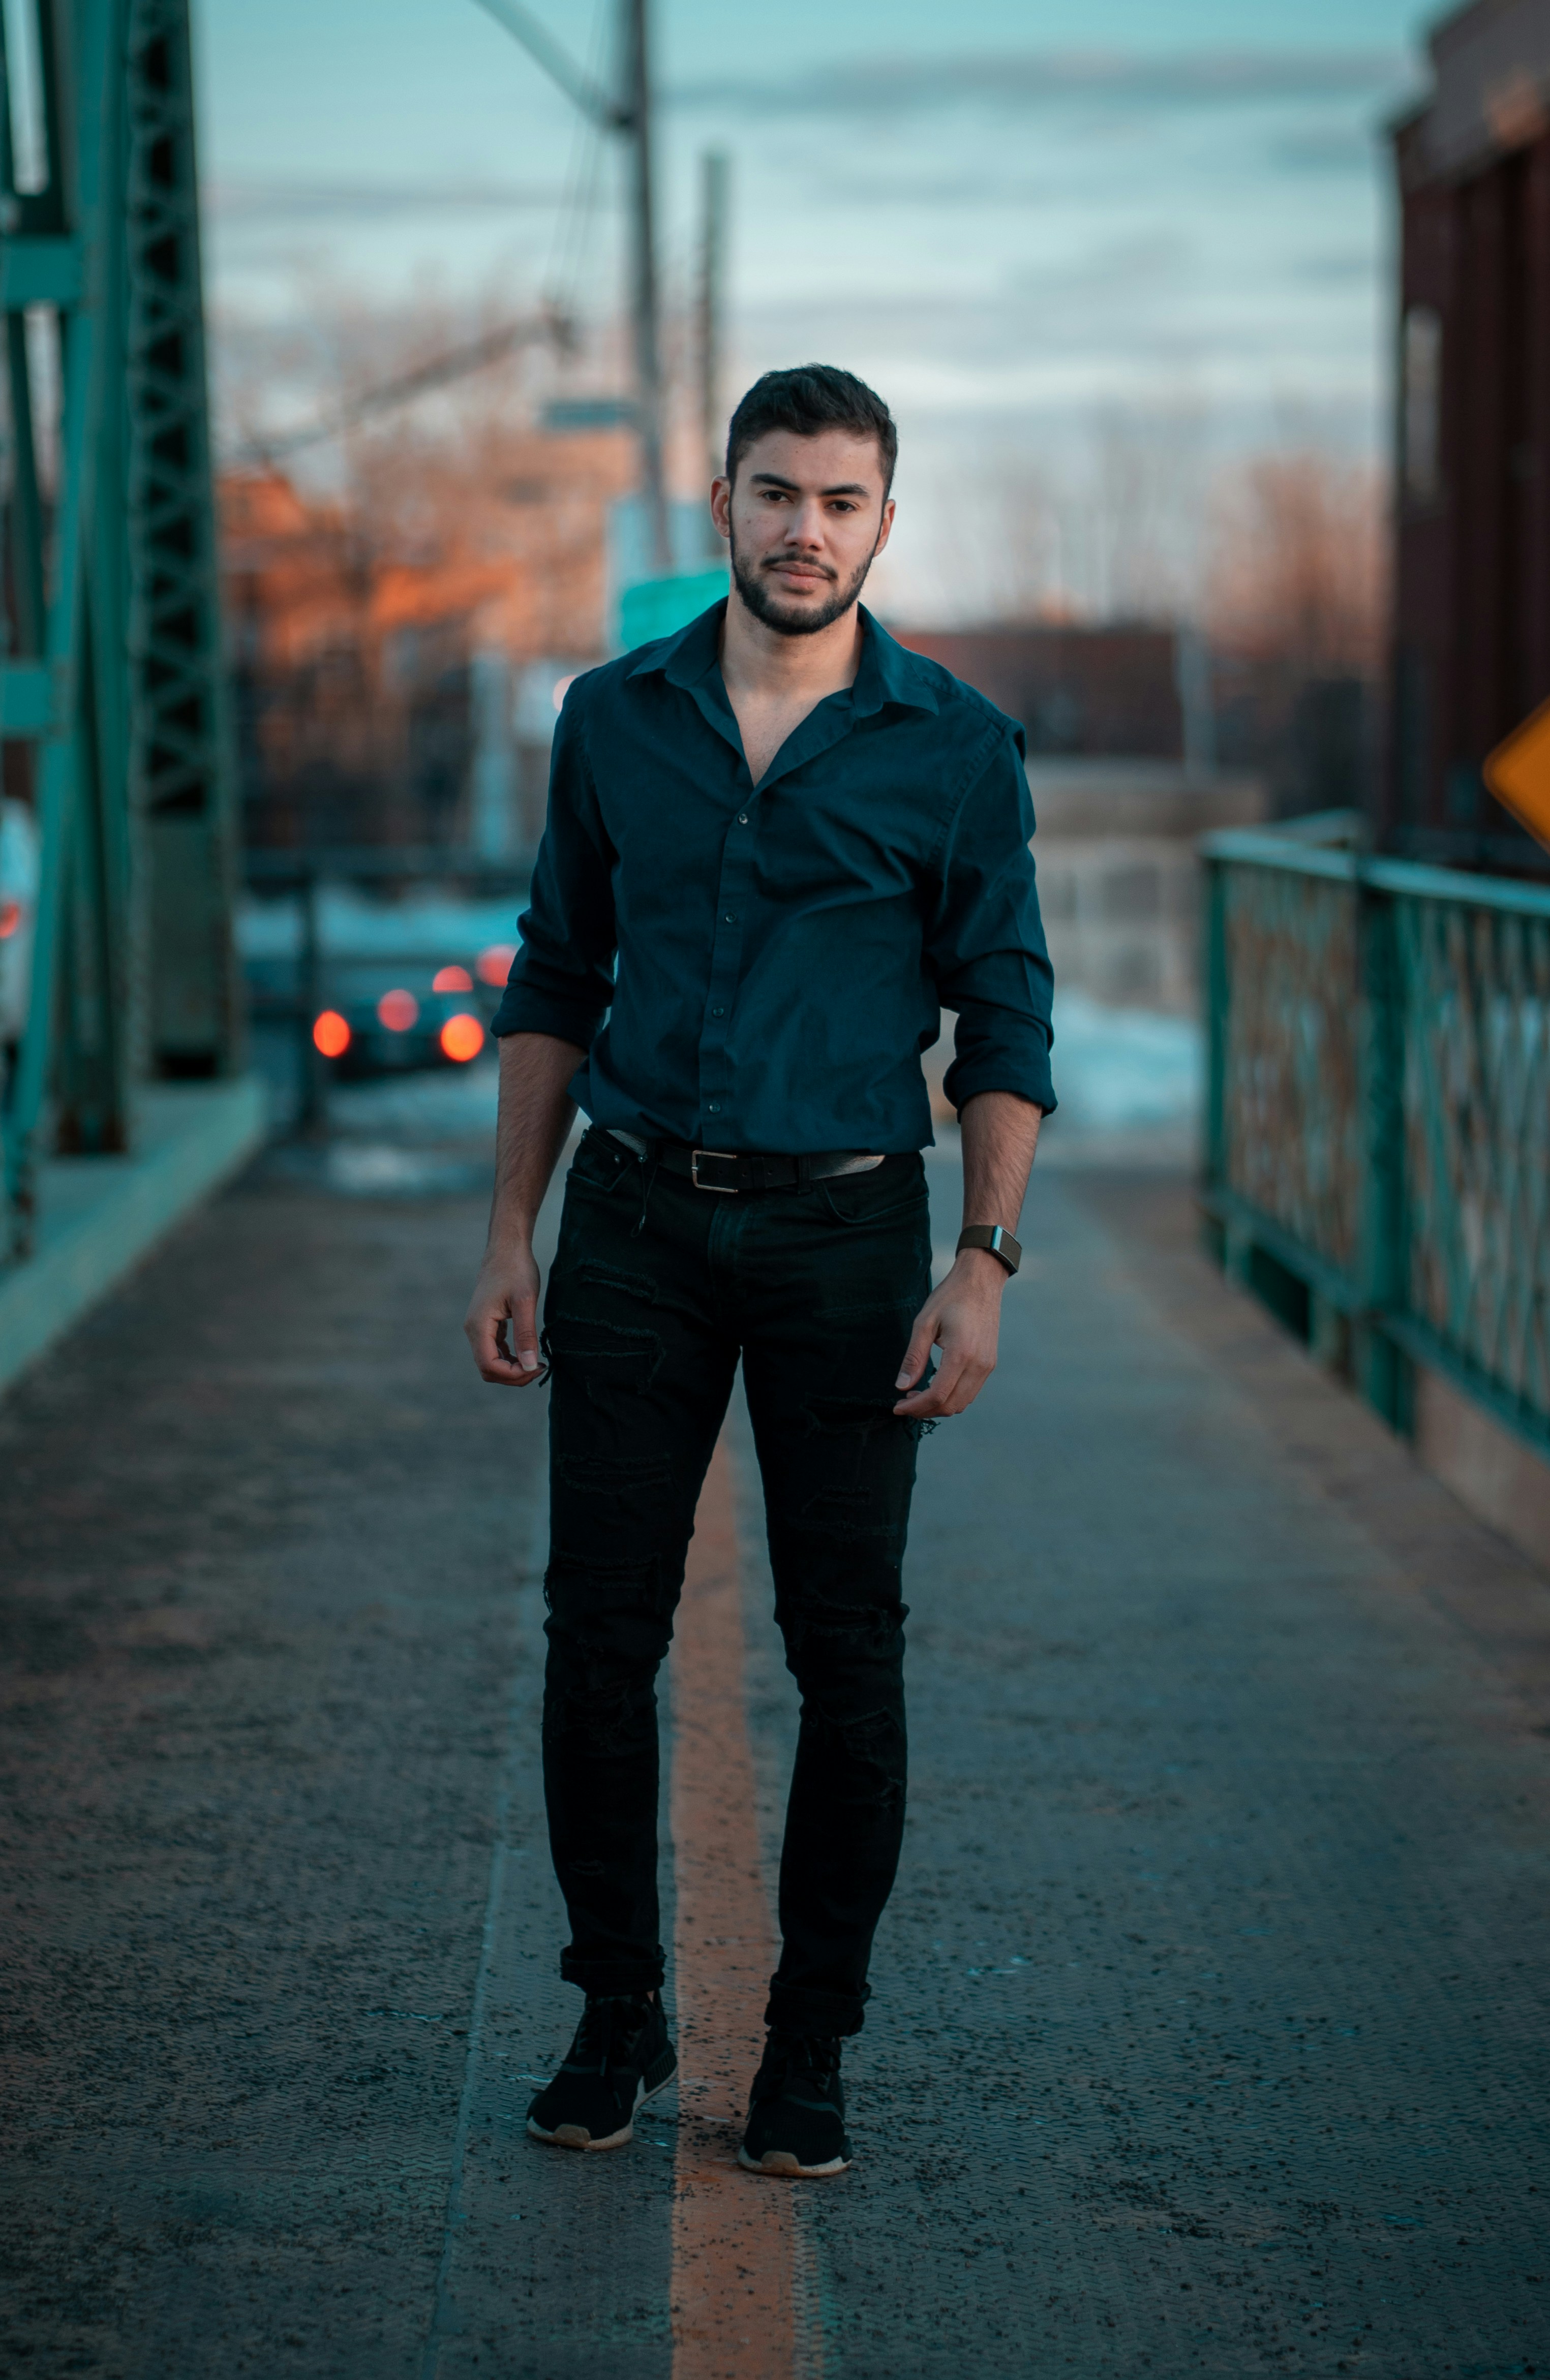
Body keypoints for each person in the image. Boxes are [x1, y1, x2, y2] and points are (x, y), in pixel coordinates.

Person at [464, 363, 1054, 2178]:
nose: (806, 529)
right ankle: (613, 2009)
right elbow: (558, 975)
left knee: (844, 1650)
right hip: (636, 1221)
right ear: (721, 504)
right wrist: (512, 1226)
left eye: (841, 501)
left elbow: (1004, 1007)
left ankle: (809, 2044)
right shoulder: (612, 718)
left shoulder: (952, 744)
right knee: (595, 1640)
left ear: (887, 520)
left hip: (849, 1238)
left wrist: (984, 1258)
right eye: (776, 491)